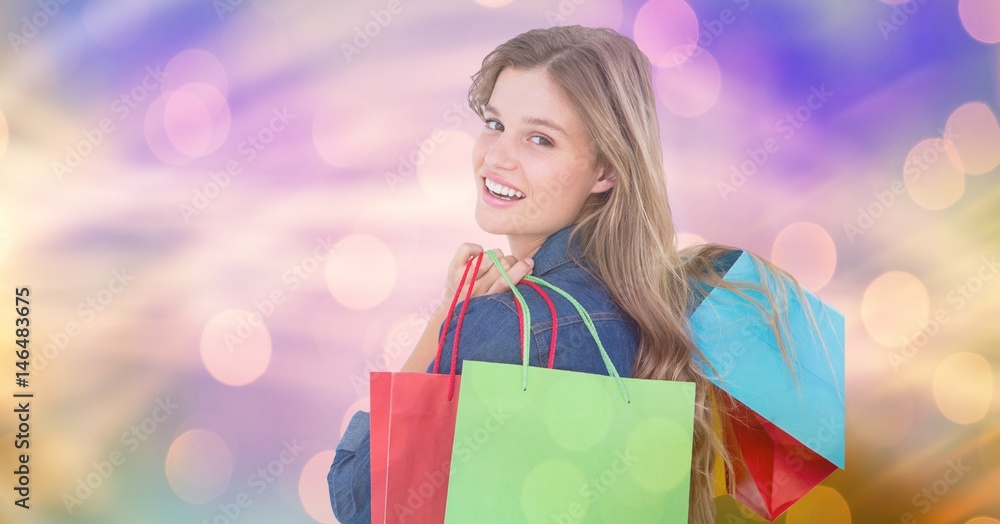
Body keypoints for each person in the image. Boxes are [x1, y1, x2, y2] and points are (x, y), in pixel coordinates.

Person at [330, 25, 801, 523]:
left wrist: (443, 325)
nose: (496, 157)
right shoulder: (699, 298)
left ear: (606, 170)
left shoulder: (499, 324)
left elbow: (362, 501)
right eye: (494, 123)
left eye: (540, 139)